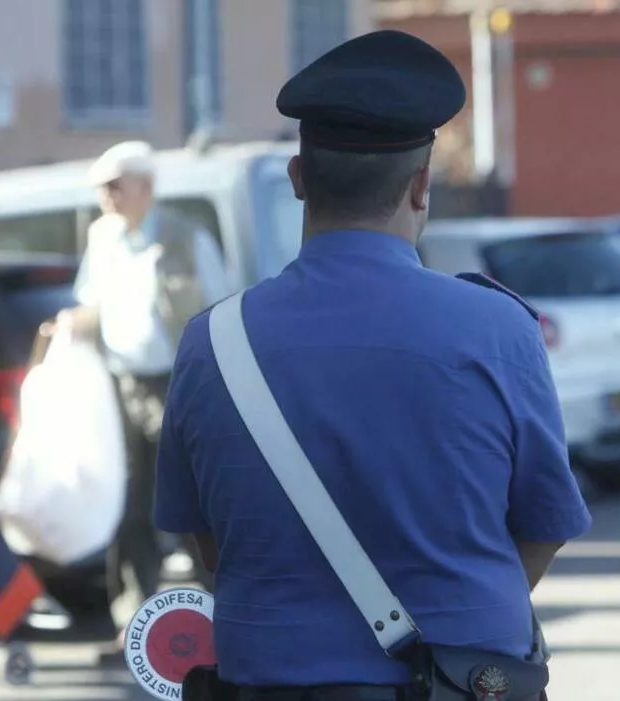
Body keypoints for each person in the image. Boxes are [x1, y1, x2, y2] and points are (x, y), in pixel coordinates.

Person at [153, 29, 592, 698]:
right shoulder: (497, 329)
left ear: (299, 180)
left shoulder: (210, 342)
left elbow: (209, 546)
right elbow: (545, 526)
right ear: (421, 186)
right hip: (459, 681)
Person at [56, 140, 233, 664]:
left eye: (114, 186)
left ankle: (220, 618)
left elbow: (218, 313)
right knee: (128, 502)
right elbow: (90, 304)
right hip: (121, 383)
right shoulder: (103, 237)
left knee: (189, 501)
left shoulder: (185, 238)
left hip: (176, 385)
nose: (105, 198)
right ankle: (131, 622)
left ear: (145, 187)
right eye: (101, 189)